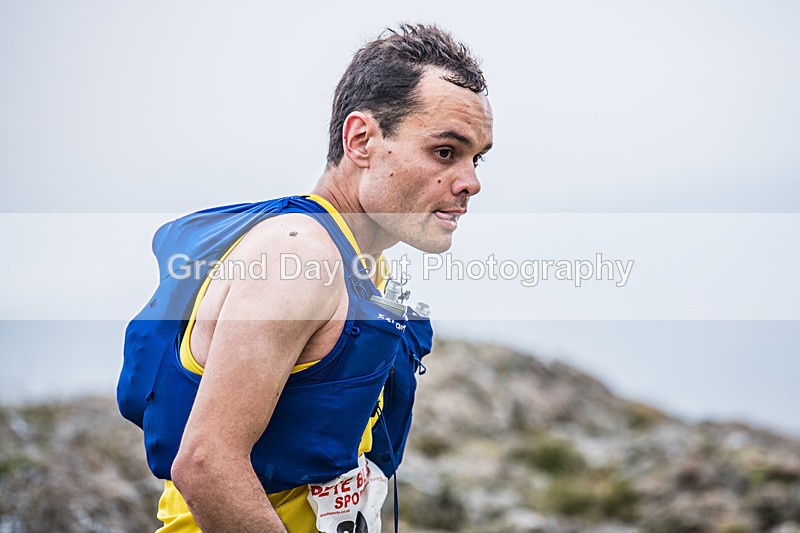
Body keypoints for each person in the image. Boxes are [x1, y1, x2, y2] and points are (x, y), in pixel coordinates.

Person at [119, 23, 493, 532]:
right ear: (361, 140)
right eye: (445, 152)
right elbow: (206, 464)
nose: (471, 182)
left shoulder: (359, 258)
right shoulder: (298, 258)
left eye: (477, 158)